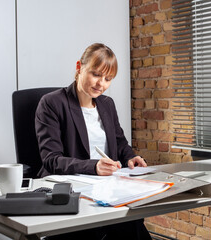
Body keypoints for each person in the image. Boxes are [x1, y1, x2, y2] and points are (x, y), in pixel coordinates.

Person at [35, 43, 151, 240]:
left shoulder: (107, 104)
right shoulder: (52, 103)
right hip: (71, 189)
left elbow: (119, 141)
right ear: (79, 67)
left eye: (108, 79)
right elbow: (51, 159)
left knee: (132, 223)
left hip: (106, 189)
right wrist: (94, 166)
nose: (101, 84)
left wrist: (130, 156)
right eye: (96, 74)